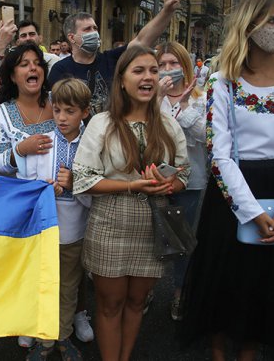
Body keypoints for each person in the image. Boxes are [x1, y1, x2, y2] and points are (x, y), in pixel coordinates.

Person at [180, 0, 274, 360]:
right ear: (250, 24)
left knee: (265, 290)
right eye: (273, 20)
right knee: (225, 287)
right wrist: (253, 212)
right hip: (233, 197)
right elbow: (219, 155)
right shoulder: (224, 81)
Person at [72, 45, 189, 361]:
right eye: (139, 70)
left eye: (153, 70)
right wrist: (131, 185)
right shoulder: (102, 123)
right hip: (111, 219)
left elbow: (185, 174)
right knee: (110, 304)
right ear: (121, 80)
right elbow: (83, 179)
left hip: (155, 221)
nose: (149, 77)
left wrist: (171, 183)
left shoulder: (168, 124)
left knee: (138, 302)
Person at [16, 78, 91, 361]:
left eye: (69, 111)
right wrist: (44, 189)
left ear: (84, 112)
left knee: (68, 289)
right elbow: (26, 183)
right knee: (42, 286)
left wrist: (74, 185)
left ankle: (63, 337)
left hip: (74, 233)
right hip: (44, 232)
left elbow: (96, 194)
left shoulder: (91, 145)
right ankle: (44, 341)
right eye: (57, 110)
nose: (61, 117)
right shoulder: (43, 142)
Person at [0, 42, 55, 348]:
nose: (33, 68)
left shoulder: (59, 103)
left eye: (37, 63)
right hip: (22, 208)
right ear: (13, 76)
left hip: (61, 201)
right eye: (24, 64)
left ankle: (67, 317)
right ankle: (28, 320)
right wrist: (20, 150)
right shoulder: (1, 114)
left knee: (61, 263)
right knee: (27, 264)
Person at [48, 0, 180, 116]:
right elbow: (57, 109)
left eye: (95, 28)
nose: (94, 33)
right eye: (87, 29)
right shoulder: (60, 70)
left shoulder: (111, 59)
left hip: (113, 132)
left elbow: (142, 40)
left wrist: (167, 10)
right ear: (72, 38)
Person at [155, 41, 207, 321]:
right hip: (155, 178)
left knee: (182, 239)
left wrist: (185, 106)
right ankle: (147, 289)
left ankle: (179, 293)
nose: (167, 69)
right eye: (162, 64)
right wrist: (155, 99)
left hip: (191, 181)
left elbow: (206, 137)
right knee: (154, 236)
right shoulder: (152, 97)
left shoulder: (201, 98)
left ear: (184, 66)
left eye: (173, 64)